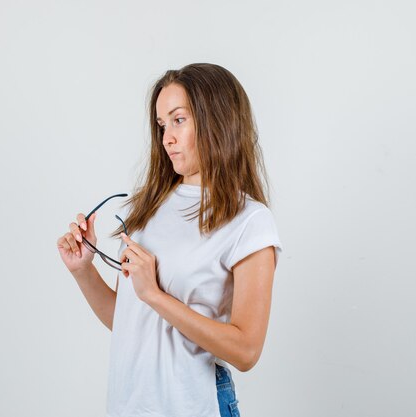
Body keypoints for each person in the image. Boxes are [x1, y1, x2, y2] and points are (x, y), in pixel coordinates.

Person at [56, 63, 283, 417]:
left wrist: (155, 295)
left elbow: (246, 351)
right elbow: (128, 320)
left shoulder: (250, 221)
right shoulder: (148, 206)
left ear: (217, 119)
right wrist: (83, 270)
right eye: (162, 125)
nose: (167, 138)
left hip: (195, 404)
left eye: (179, 120)